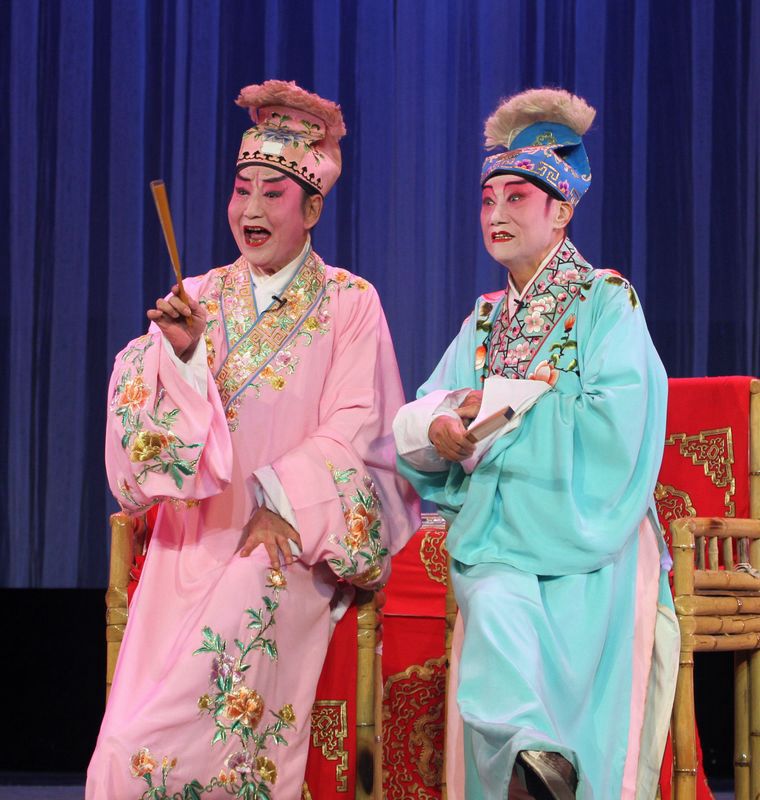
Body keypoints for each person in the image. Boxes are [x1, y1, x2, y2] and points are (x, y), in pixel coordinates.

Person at [87, 80, 418, 799]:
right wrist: (180, 358)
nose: (252, 211)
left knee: (175, 729)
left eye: (274, 193)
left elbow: (358, 428)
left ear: (313, 209)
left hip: (285, 543)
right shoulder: (200, 296)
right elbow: (143, 434)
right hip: (188, 544)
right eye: (242, 192)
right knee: (120, 748)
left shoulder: (350, 304)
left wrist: (282, 501)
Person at [393, 88, 679, 800]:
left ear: (562, 210)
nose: (496, 213)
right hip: (501, 532)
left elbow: (623, 425)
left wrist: (506, 420)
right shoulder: (486, 319)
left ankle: (545, 758)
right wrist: (443, 425)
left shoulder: (606, 300)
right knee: (492, 599)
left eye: (517, 197)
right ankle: (535, 754)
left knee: (552, 620)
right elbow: (424, 409)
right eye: (488, 198)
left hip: (592, 528)